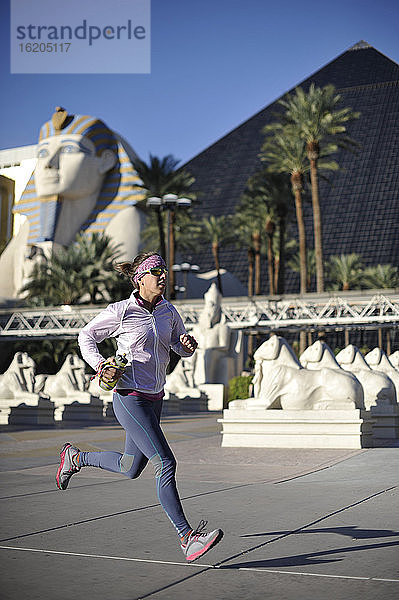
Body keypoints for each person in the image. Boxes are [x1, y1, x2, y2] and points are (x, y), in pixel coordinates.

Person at [55, 251, 223, 562]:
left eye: (164, 272)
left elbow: (177, 346)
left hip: (155, 398)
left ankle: (75, 457)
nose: (163, 277)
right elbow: (86, 336)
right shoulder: (121, 312)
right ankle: (187, 538)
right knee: (165, 463)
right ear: (139, 278)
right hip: (129, 397)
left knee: (129, 468)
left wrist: (186, 347)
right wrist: (101, 364)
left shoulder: (168, 311)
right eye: (156, 272)